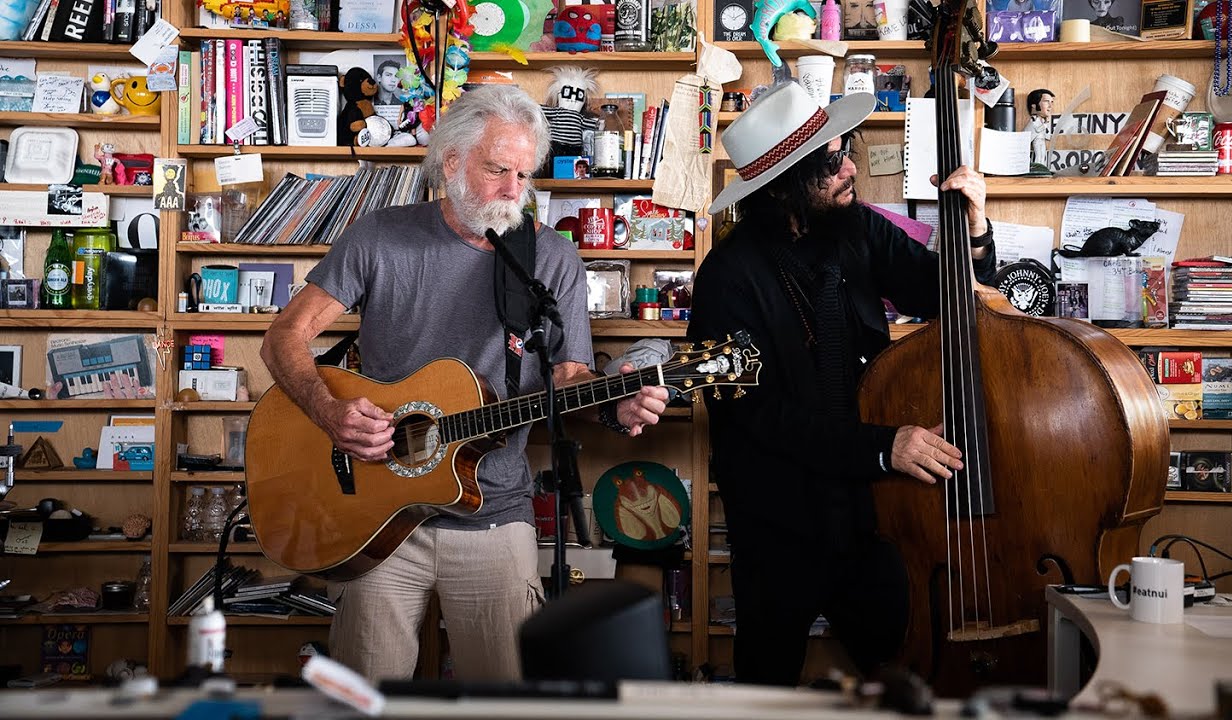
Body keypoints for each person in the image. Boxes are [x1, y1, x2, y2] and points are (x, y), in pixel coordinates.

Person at [260, 85, 670, 683]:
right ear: (451, 161)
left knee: (504, 700)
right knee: (364, 698)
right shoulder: (380, 236)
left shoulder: (550, 258)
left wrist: (616, 401)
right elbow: (283, 338)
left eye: (524, 175)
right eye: (498, 170)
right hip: (373, 517)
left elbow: (570, 379)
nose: (513, 191)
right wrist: (329, 413)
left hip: (495, 515)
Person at [689, 82, 998, 686]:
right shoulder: (723, 278)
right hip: (779, 526)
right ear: (784, 183)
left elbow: (950, 296)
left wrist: (976, 226)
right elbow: (757, 416)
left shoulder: (855, 227)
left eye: (846, 149)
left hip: (869, 518)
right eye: (832, 162)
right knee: (765, 685)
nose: (851, 167)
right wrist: (885, 446)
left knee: (899, 680)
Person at [1025, 88, 1055, 170]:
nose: (1050, 106)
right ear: (1034, 105)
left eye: (1051, 102)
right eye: (1046, 101)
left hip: (1042, 142)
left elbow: (1046, 135)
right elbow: (1035, 131)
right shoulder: (1034, 121)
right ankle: (1037, 168)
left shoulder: (1042, 121)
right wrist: (1045, 125)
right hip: (1037, 142)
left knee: (1043, 155)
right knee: (1038, 156)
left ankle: (1042, 168)